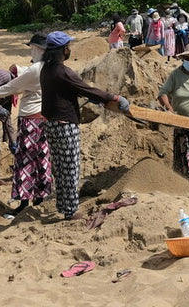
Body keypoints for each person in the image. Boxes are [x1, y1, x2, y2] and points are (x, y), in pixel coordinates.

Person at [40, 31, 130, 220]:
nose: (69, 50)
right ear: (62, 50)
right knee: (71, 168)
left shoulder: (46, 70)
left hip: (50, 124)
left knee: (60, 168)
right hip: (65, 125)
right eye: (68, 47)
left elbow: (69, 91)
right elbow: (86, 89)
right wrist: (115, 97)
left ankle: (63, 206)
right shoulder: (64, 71)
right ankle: (70, 211)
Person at [0, 34, 53, 215]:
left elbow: (10, 88)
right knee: (41, 159)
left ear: (39, 50)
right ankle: (40, 197)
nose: (31, 52)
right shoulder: (51, 67)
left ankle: (24, 203)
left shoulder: (36, 70)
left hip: (31, 120)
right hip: (44, 119)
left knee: (25, 161)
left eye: (32, 49)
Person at [158, 45, 189, 181]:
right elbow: (163, 93)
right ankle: (183, 182)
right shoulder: (175, 74)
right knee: (183, 157)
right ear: (183, 58)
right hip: (181, 124)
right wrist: (169, 108)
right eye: (187, 58)